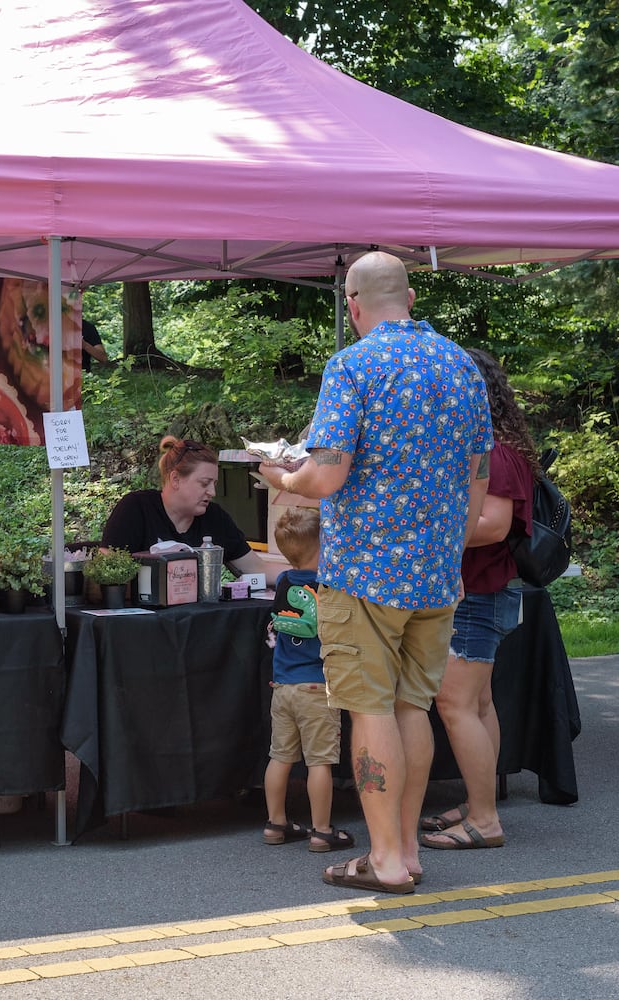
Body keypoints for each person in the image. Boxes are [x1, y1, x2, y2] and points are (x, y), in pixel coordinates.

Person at [257, 251, 491, 895]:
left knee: (369, 710)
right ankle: (408, 848)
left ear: (352, 303)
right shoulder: (462, 365)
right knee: (412, 706)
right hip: (435, 574)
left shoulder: (352, 365)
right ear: (410, 297)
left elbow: (325, 474)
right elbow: (478, 475)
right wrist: (454, 551)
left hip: (364, 572)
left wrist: (279, 475)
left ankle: (385, 860)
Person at [420, 348, 536, 851]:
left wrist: (426, 527)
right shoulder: (487, 446)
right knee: (478, 702)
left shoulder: (496, 454)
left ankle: (485, 820)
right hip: (480, 590)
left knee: (455, 704)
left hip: (478, 591)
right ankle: (478, 803)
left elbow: (494, 525)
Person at [262, 506, 355, 853]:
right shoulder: (331, 583)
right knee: (319, 763)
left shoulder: (285, 581)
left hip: (283, 685)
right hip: (317, 686)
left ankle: (275, 823)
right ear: (322, 547)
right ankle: (321, 829)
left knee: (280, 756)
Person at [101, 435, 269, 578]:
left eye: (214, 484)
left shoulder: (215, 517)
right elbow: (106, 571)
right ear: (175, 479)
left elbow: (256, 568)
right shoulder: (135, 509)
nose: (212, 492)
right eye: (204, 483)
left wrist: (294, 575)